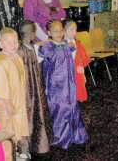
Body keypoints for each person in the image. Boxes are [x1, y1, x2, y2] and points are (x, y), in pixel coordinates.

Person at [38, 20, 88, 149]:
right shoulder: (46, 48)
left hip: (69, 84)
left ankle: (75, 135)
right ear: (49, 32)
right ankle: (61, 137)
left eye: (61, 30)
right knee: (60, 111)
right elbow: (37, 63)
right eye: (55, 31)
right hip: (56, 88)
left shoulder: (68, 45)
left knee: (72, 108)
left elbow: (75, 60)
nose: (59, 33)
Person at [0, 28, 29, 161]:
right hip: (6, 107)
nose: (13, 45)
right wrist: (8, 105)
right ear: (0, 44)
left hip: (17, 102)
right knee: (7, 135)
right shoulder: (1, 63)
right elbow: (0, 89)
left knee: (17, 131)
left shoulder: (16, 57)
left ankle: (17, 153)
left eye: (15, 41)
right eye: (9, 42)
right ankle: (7, 157)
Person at [17, 20, 51, 155]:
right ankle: (27, 146)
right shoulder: (21, 50)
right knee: (29, 114)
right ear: (30, 34)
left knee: (38, 112)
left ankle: (38, 144)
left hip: (35, 87)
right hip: (27, 90)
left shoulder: (31, 47)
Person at [64, 20, 91, 102]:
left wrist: (83, 72)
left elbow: (82, 59)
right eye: (71, 29)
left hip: (78, 71)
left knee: (79, 89)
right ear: (64, 31)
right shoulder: (62, 45)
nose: (74, 32)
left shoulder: (78, 43)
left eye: (75, 30)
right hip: (67, 72)